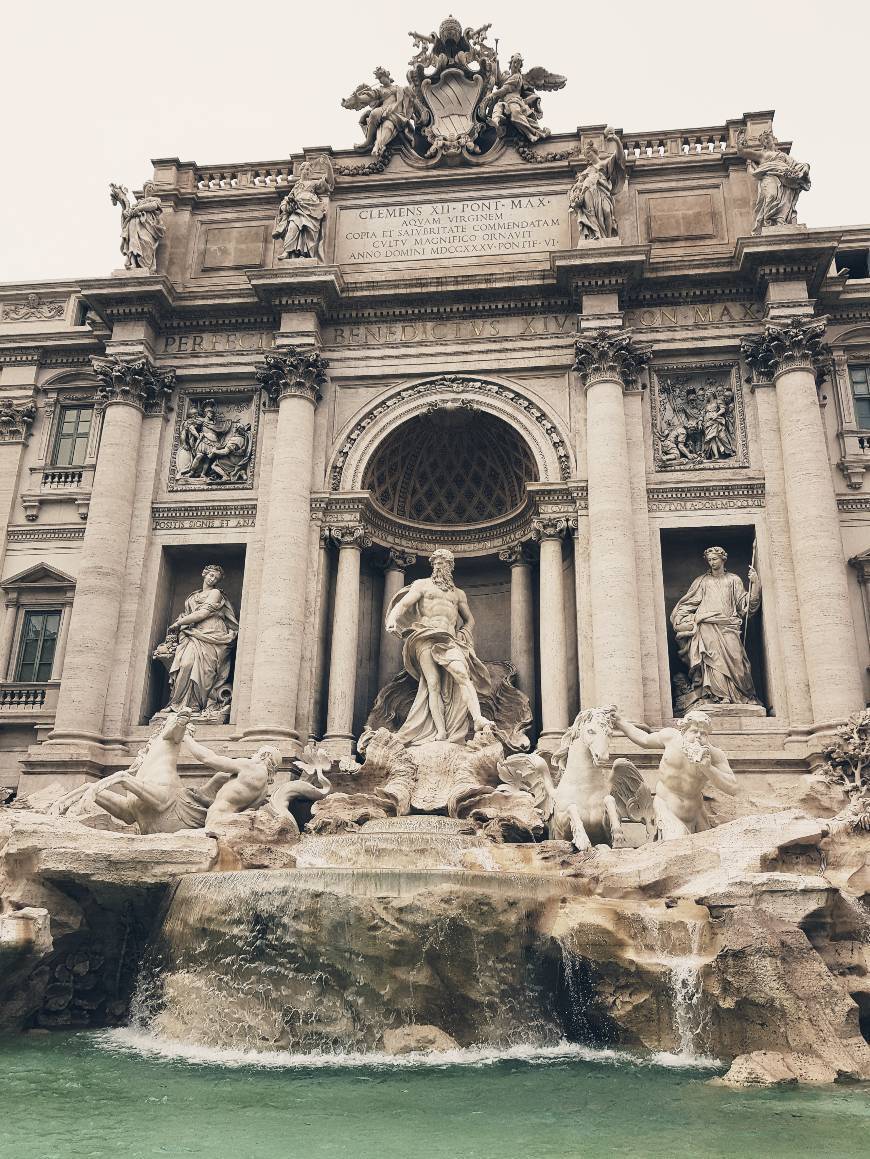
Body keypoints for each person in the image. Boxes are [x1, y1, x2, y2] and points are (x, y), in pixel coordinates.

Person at [384, 548, 493, 744]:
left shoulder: (458, 594)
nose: (437, 566)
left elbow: (469, 620)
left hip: (449, 640)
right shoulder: (422, 585)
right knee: (432, 684)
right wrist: (392, 619)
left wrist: (464, 632)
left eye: (441, 562)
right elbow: (403, 605)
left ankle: (477, 718)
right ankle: (441, 731)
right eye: (434, 563)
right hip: (425, 636)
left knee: (462, 675)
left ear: (450, 566)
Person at [614, 709, 737, 838]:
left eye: (703, 733)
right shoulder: (670, 738)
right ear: (683, 731)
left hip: (696, 813)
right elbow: (643, 739)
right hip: (667, 807)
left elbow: (732, 787)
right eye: (694, 731)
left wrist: (708, 768)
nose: (698, 736)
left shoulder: (715, 755)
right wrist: (619, 721)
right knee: (677, 842)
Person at [670, 546, 760, 705]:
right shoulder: (702, 581)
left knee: (738, 661)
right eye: (709, 560)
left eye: (715, 559)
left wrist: (755, 584)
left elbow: (745, 606)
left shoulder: (733, 580)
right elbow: (688, 604)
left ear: (723, 559)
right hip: (707, 626)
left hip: (729, 626)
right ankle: (719, 696)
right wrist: (684, 618)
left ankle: (742, 695)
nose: (712, 562)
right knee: (713, 661)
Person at [155, 564, 239, 719]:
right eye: (211, 575)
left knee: (205, 671)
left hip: (212, 633)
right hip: (192, 634)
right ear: (204, 574)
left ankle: (195, 705)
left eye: (216, 578)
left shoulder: (216, 593)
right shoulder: (192, 596)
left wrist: (179, 623)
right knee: (185, 664)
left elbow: (203, 613)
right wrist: (182, 625)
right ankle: (177, 704)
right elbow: (190, 615)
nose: (213, 579)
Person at [567, 129, 626, 241]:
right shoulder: (586, 171)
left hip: (602, 192)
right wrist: (575, 193)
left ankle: (607, 237)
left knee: (607, 212)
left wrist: (616, 140)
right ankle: (596, 233)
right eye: (586, 155)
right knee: (591, 213)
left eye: (588, 153)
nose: (587, 156)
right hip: (588, 192)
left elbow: (619, 157)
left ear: (594, 152)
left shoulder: (604, 164)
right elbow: (578, 184)